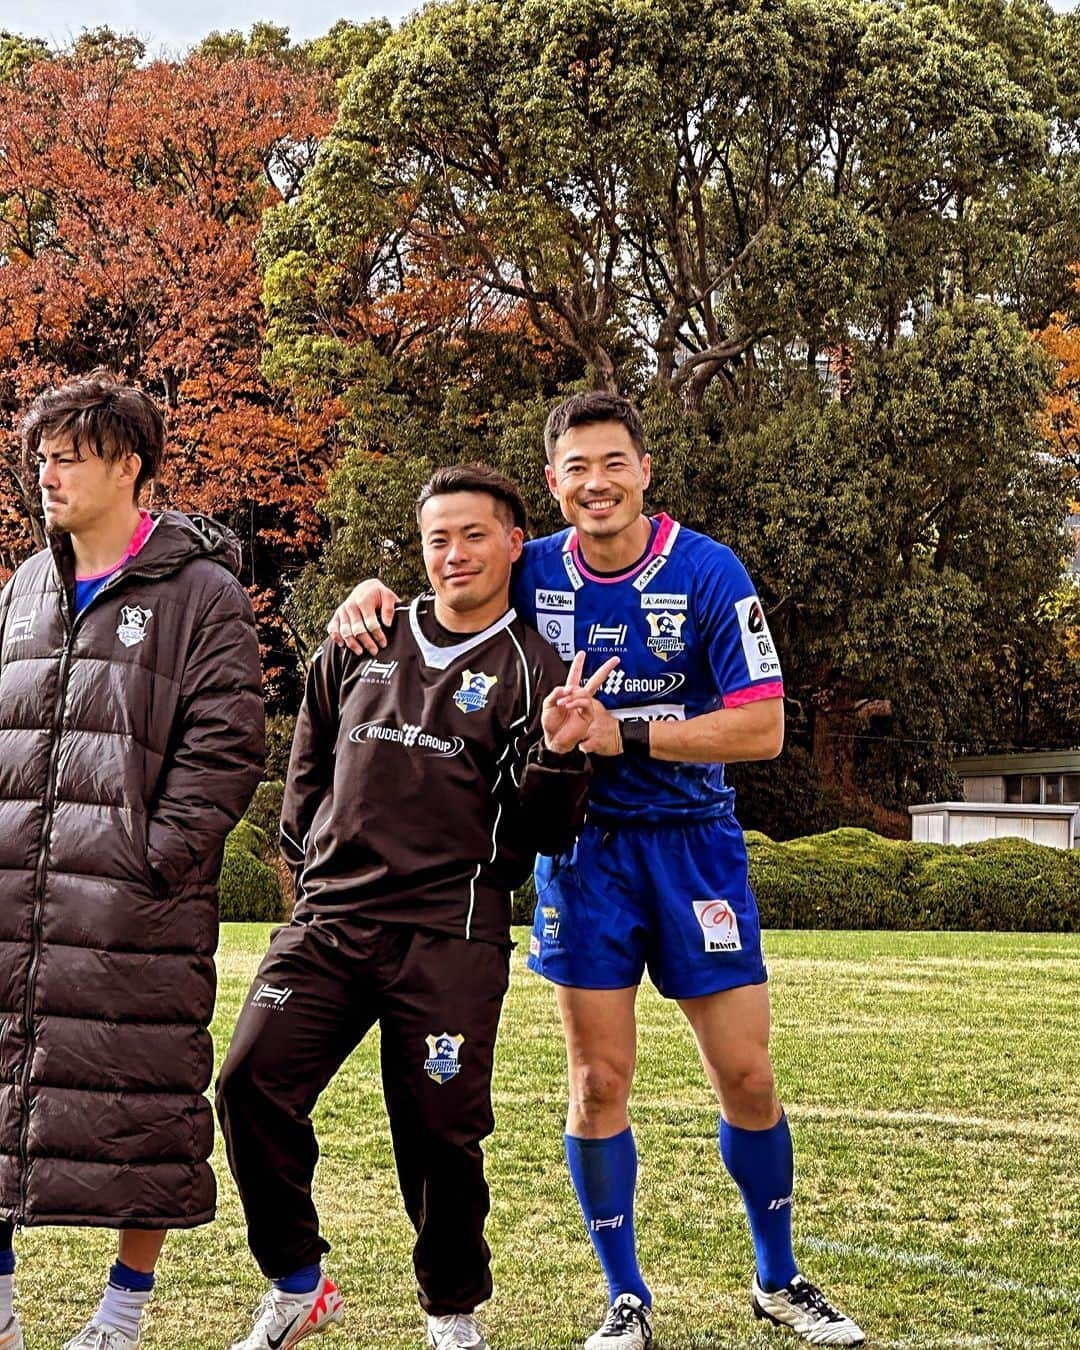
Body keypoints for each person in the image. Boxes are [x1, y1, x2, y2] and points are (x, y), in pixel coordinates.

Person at [329, 394, 866, 1349]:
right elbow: (445, 591)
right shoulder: (530, 569)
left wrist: (628, 734)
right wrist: (369, 593)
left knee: (745, 1074)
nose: (597, 483)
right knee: (596, 1084)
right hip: (580, 856)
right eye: (576, 468)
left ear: (645, 471)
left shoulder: (707, 571)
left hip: (694, 845)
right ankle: (626, 1298)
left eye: (613, 463)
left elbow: (764, 727)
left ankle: (779, 1280)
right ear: (552, 484)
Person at [217, 464, 612, 1350]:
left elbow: (545, 834)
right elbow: (306, 770)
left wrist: (558, 752)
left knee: (441, 1131)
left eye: (475, 535)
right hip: (330, 923)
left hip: (449, 936)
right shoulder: (363, 636)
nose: (456, 554)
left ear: (516, 543)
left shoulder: (537, 671)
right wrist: (306, 872)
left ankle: (450, 1310)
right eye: (439, 538)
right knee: (248, 1084)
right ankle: (296, 1282)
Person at [0, 370, 265, 1350]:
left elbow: (228, 743)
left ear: (129, 466)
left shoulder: (203, 593)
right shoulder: (26, 586)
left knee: (143, 1101)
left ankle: (121, 1316)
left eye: (68, 455)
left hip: (135, 906)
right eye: (40, 455)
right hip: (13, 894)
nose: (47, 472)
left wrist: (156, 856)